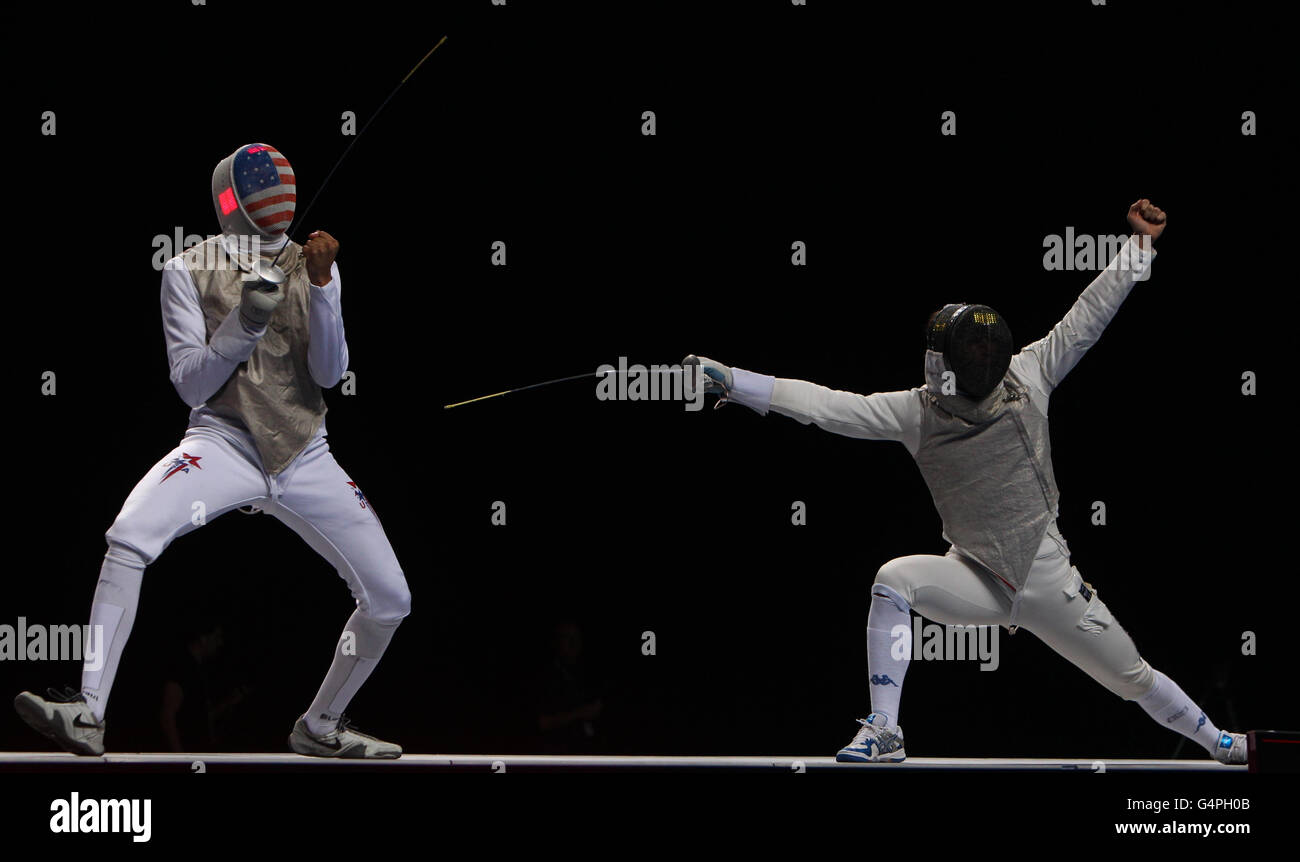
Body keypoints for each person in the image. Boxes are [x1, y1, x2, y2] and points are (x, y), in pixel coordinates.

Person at [685, 200, 1247, 765]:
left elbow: (1089, 314)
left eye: (986, 351)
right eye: (971, 353)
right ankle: (884, 728)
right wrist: (734, 381)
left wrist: (1139, 247)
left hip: (1047, 580)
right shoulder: (917, 413)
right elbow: (824, 405)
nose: (982, 361)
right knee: (893, 580)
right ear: (943, 361)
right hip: (975, 575)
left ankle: (1220, 743)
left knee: (1131, 676)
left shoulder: (1028, 377)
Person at [14, 143, 408, 759]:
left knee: (391, 599)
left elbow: (330, 376)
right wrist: (245, 322)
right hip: (223, 443)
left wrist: (325, 288)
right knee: (129, 536)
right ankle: (90, 711)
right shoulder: (185, 268)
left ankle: (320, 725)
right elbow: (192, 383)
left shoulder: (314, 263)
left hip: (306, 452)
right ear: (234, 200)